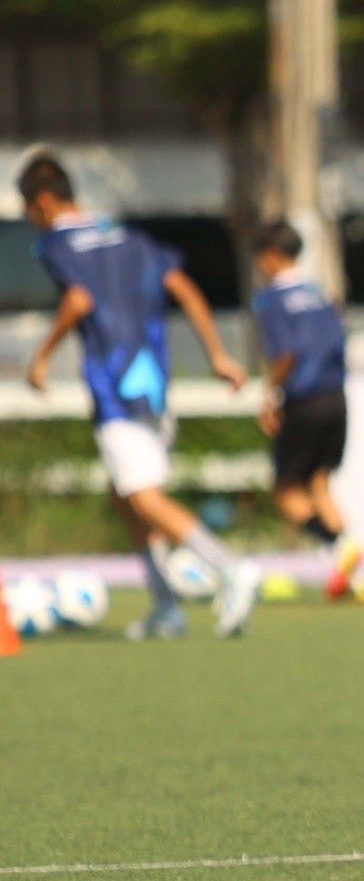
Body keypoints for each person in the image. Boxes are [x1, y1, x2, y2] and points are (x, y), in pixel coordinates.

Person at [18, 153, 261, 638]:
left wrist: (42, 356)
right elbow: (185, 288)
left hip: (115, 385)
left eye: (28, 208)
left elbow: (80, 300)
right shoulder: (126, 236)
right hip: (153, 382)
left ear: (44, 202)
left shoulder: (58, 246)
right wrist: (217, 354)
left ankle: (230, 568)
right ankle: (166, 605)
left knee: (142, 497)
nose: (29, 218)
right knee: (126, 496)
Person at [249, 222, 362, 602]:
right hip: (336, 397)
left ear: (271, 256)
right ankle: (353, 577)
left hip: (304, 400)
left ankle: (338, 546)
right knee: (320, 482)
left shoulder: (272, 301)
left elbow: (287, 354)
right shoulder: (320, 294)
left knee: (285, 490)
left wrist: (269, 395)